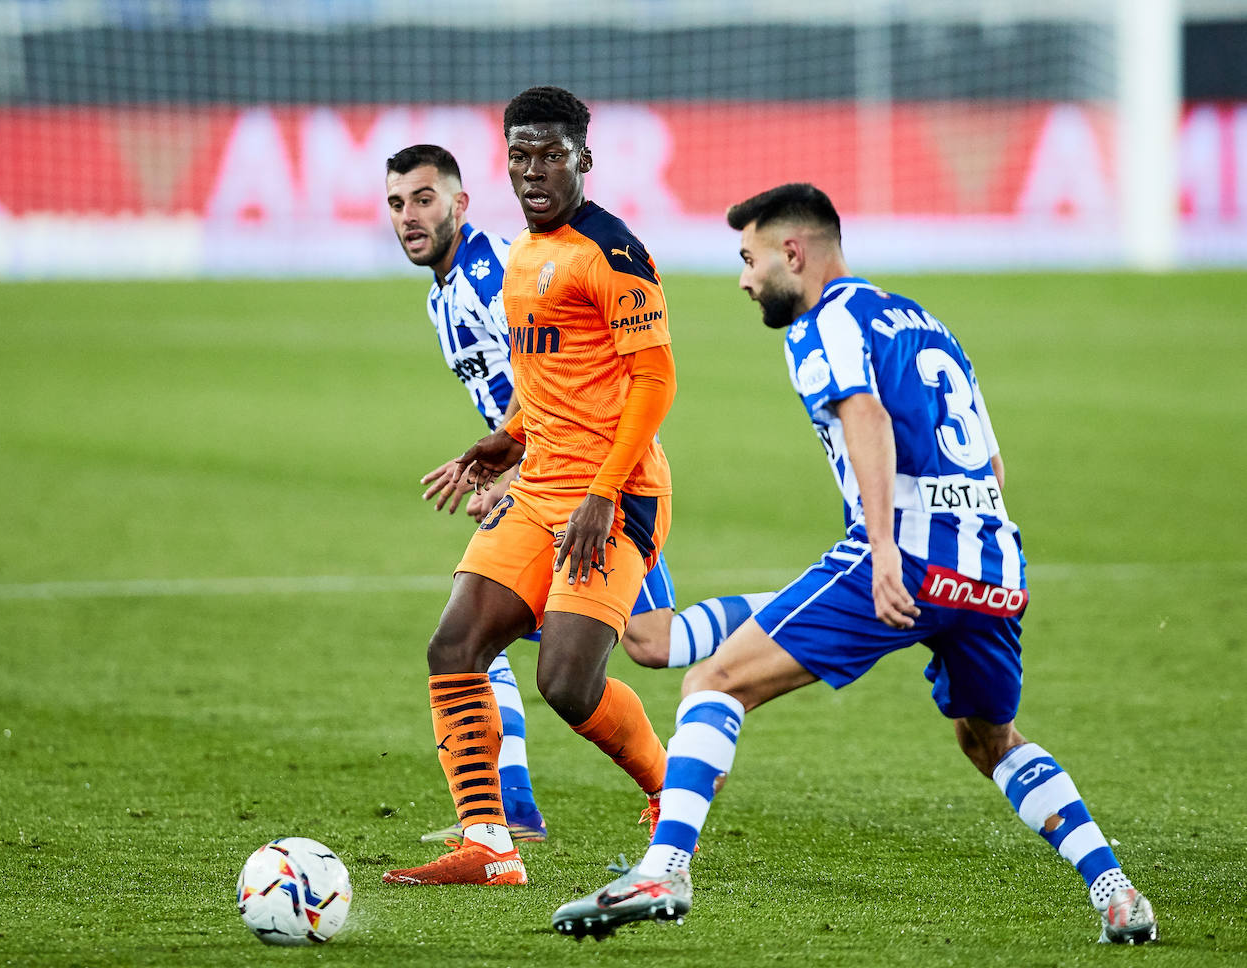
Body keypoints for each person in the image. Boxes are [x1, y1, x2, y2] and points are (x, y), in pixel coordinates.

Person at [553, 182, 1159, 945]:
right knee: (988, 739)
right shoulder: (926, 324)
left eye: (750, 259)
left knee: (715, 681)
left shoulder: (822, 324)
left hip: (901, 554)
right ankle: (1115, 890)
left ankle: (664, 867)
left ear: (793, 253)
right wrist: (977, 569)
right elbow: (993, 463)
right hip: (991, 565)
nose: (744, 280)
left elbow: (866, 417)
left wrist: (880, 553)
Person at [383, 143, 776, 847]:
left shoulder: (494, 274)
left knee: (646, 647)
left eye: (423, 200)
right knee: (478, 641)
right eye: (396, 204)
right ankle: (508, 815)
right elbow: (534, 390)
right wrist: (508, 458)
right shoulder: (443, 293)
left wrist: (522, 470)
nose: (409, 218)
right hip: (544, 480)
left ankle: (795, 614)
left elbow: (588, 375)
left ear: (460, 203)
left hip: (598, 483)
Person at [382, 85, 684, 887]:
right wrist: (505, 439)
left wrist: (602, 494)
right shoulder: (521, 254)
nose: (533, 170)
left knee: (566, 683)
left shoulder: (613, 253)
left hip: (613, 498)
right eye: (520, 155)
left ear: (583, 157)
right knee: (454, 646)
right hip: (542, 482)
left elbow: (655, 382)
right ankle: (491, 845)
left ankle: (669, 794)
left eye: (550, 154)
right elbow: (545, 379)